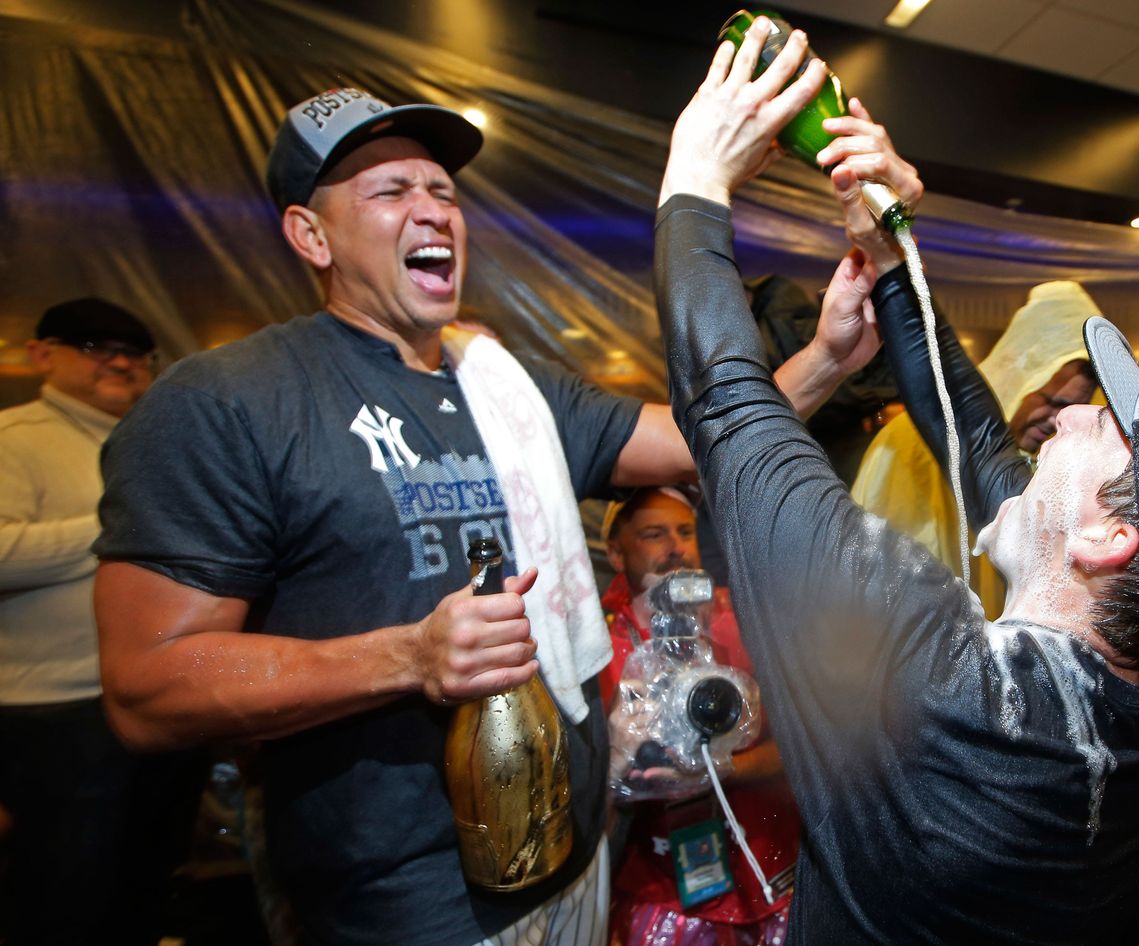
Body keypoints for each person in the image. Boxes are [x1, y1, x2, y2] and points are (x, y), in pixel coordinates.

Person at [92, 88, 872, 946]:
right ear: (311, 235)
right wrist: (407, 656)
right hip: (397, 900)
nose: (432, 210)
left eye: (445, 193)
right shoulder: (228, 402)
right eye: (390, 192)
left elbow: (692, 443)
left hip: (575, 858)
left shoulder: (512, 384)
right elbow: (147, 687)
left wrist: (827, 357)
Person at [652, 18, 1139, 944]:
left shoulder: (933, 685)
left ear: (1107, 538)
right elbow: (974, 432)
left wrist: (695, 177)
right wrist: (892, 248)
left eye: (1116, 426)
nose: (1077, 412)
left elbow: (733, 413)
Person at [0, 299, 199, 945]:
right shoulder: (17, 439)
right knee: (66, 889)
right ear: (41, 354)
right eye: (92, 346)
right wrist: (124, 531)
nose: (118, 361)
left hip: (164, 697)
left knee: (146, 876)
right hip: (60, 709)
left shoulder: (161, 438)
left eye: (134, 352)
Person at [598, 487, 798, 946]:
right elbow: (591, 796)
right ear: (614, 551)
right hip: (663, 892)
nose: (675, 546)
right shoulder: (600, 647)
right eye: (653, 534)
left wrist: (719, 770)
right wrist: (623, 763)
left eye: (685, 531)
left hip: (771, 876)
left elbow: (806, 745)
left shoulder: (747, 614)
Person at [851, 280, 1100, 616]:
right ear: (1019, 378)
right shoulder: (911, 440)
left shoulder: (1042, 465)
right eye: (1052, 401)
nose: (1056, 420)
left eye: (1071, 409)